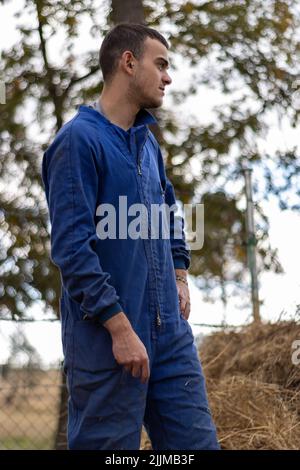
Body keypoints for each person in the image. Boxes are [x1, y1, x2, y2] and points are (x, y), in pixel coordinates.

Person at [42, 23, 219, 450]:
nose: (167, 77)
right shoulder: (77, 141)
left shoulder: (147, 144)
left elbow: (169, 208)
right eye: (160, 64)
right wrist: (119, 328)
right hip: (107, 344)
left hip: (171, 340)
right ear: (128, 62)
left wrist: (179, 273)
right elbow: (72, 250)